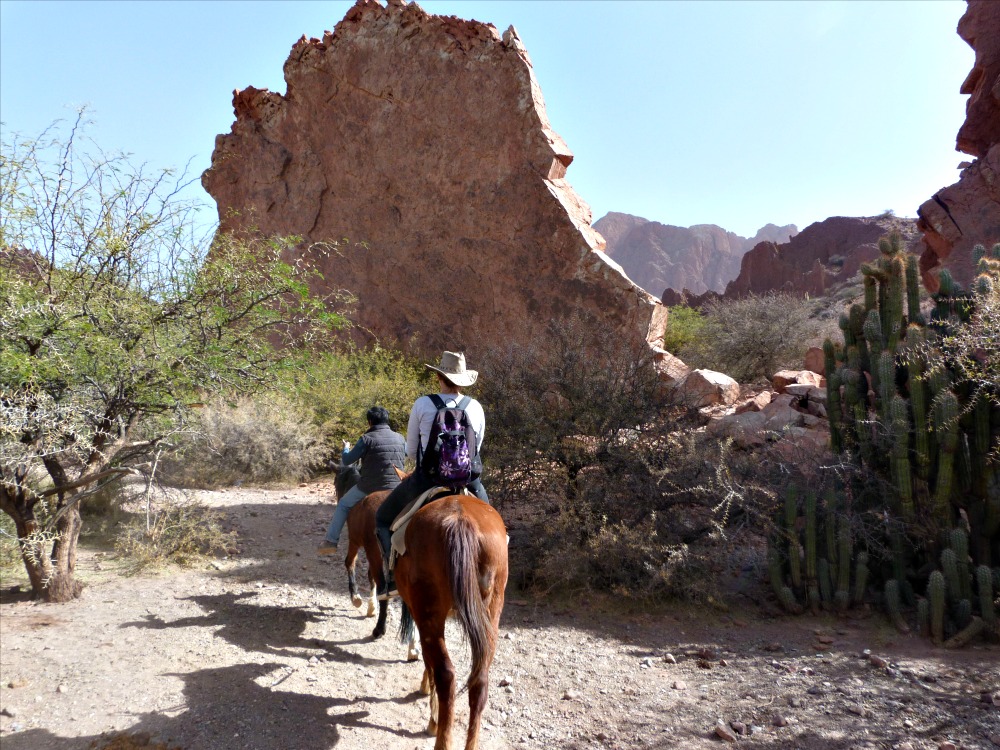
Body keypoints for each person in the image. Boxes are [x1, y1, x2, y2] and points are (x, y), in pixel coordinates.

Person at [375, 351, 488, 600]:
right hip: (468, 478)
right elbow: (476, 447)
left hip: (429, 478)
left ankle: (391, 580)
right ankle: (487, 571)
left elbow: (412, 450)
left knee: (382, 519)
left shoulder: (422, 404)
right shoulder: (476, 407)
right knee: (495, 525)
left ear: (439, 376)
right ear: (463, 379)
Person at [317, 406, 405, 557]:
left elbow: (347, 460)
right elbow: (408, 453)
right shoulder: (400, 438)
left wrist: (346, 448)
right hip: (397, 487)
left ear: (370, 422)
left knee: (343, 504)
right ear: (386, 420)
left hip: (370, 486)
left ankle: (331, 542)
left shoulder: (366, 439)